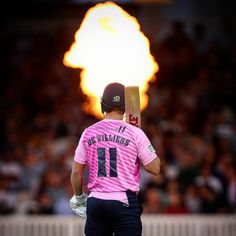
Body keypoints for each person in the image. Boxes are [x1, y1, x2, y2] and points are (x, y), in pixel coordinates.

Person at [70, 82, 161, 236]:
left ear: (103, 104)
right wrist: (144, 146)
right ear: (125, 106)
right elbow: (155, 168)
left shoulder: (88, 133)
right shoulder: (135, 133)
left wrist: (79, 197)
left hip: (96, 201)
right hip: (124, 201)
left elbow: (76, 173)